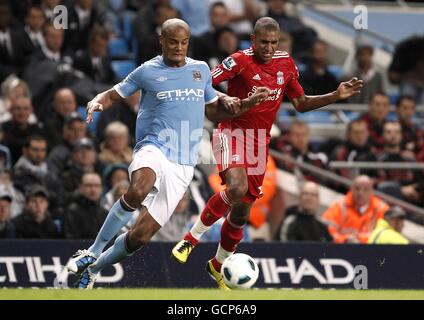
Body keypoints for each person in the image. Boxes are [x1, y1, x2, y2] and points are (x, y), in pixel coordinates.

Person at [64, 18, 268, 289]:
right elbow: (113, 94)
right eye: (173, 41)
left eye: (184, 42)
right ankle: (92, 250)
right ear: (162, 41)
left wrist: (245, 104)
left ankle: (94, 268)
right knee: (137, 191)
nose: (179, 47)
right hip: (153, 147)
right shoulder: (147, 71)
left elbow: (214, 109)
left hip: (183, 164)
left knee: (140, 237)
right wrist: (96, 101)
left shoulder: (200, 70)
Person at [172, 17, 362, 289]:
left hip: (259, 143)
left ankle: (216, 265)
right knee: (236, 188)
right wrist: (227, 100)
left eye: (274, 42)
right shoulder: (238, 61)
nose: (269, 48)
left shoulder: (286, 63)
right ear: (252, 40)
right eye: (264, 42)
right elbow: (204, 84)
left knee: (240, 215)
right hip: (231, 132)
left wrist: (335, 95)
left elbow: (300, 103)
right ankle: (190, 240)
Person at [322, 175, 389, 244]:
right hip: (343, 249)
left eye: (365, 189)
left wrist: (358, 239)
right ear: (351, 189)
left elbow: (386, 235)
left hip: (372, 251)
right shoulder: (339, 206)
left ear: (371, 191)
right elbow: (328, 232)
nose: (361, 193)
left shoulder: (381, 209)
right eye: (357, 189)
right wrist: (345, 239)